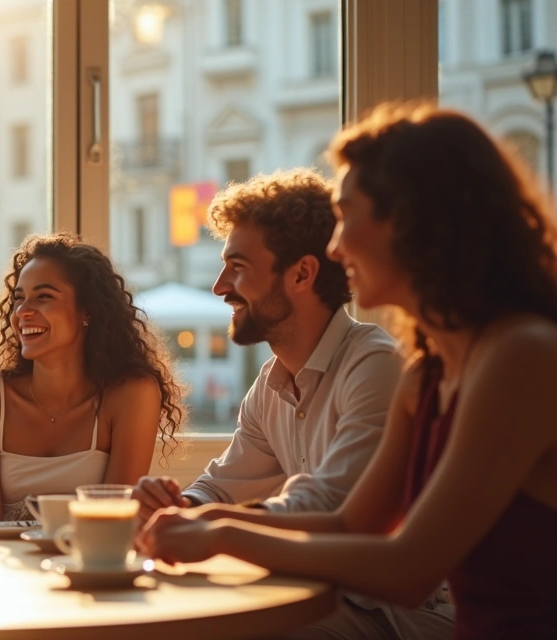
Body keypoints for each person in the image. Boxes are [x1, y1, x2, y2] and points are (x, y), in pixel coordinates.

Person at [139, 103, 557, 639]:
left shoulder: (519, 356)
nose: (336, 246)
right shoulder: (426, 374)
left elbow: (408, 569)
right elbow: (349, 525)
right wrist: (208, 520)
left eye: (348, 214)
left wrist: (219, 536)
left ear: (408, 221)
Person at [132, 168, 453, 638]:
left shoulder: (377, 364)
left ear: (302, 273)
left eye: (237, 266)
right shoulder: (270, 383)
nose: (220, 286)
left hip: (399, 614)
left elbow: (330, 507)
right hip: (324, 595)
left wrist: (207, 526)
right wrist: (181, 504)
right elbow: (222, 486)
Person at [0, 233, 186, 523]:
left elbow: (113, 519)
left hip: (92, 563)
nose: (23, 311)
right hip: (6, 566)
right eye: (19, 298)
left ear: (87, 311)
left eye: (44, 296)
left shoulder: (132, 394)